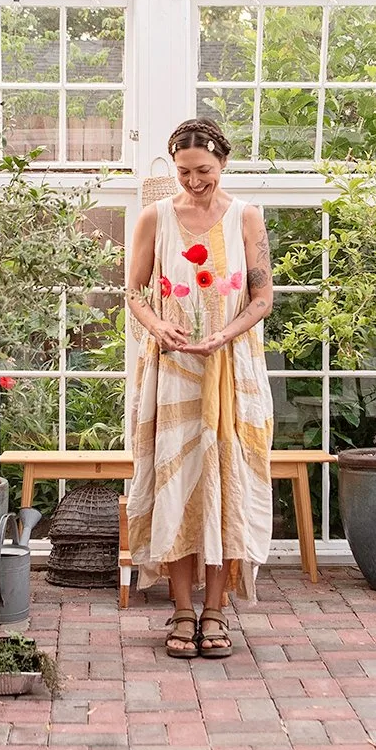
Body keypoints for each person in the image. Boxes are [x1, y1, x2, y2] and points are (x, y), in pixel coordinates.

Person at [125, 118, 275, 658]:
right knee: (177, 482)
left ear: (223, 163)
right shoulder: (155, 218)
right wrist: (158, 325)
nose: (194, 182)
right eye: (185, 172)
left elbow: (261, 299)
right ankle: (181, 610)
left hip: (231, 369)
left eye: (204, 171)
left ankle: (216, 610)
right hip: (172, 373)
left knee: (225, 482)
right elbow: (134, 292)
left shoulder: (246, 218)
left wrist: (224, 336)